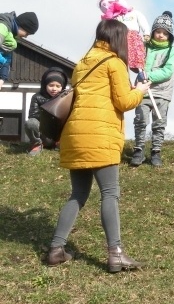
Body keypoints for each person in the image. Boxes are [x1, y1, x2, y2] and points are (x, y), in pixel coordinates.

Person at [45, 19, 151, 273]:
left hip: (74, 135)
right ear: (117, 39)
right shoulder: (114, 63)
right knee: (110, 193)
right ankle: (116, 254)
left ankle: (56, 249)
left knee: (78, 194)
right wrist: (140, 90)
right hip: (100, 135)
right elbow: (124, 102)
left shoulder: (82, 62)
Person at [129, 11, 174, 167]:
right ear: (153, 32)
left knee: (159, 123)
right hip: (142, 90)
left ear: (169, 36)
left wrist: (148, 75)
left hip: (162, 92)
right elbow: (136, 65)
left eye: (165, 33)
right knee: (140, 120)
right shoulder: (144, 48)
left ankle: (156, 151)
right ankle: (139, 149)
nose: (161, 35)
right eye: (158, 32)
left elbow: (168, 71)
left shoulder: (172, 51)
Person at [98, 0, 149, 73]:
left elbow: (142, 20)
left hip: (132, 38)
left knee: (136, 57)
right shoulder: (109, 19)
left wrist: (146, 33)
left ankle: (140, 71)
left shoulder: (133, 13)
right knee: (118, 60)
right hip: (117, 40)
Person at [25, 67, 69, 156]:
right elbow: (33, 115)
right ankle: (36, 144)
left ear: (62, 87)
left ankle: (60, 144)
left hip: (60, 135)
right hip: (44, 133)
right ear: (45, 85)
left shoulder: (66, 98)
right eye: (51, 85)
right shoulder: (36, 97)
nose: (54, 89)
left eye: (58, 86)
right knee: (31, 122)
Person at [0, 10, 39, 89]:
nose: (26, 36)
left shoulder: (12, 38)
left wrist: (2, 78)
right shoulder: (3, 27)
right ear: (22, 26)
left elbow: (7, 59)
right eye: (27, 33)